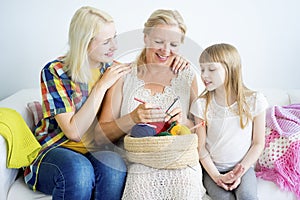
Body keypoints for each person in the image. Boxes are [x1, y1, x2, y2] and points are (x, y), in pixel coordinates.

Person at [23, 6, 190, 200]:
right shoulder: (55, 72)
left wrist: (175, 59)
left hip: (96, 150)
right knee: (79, 171)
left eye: (115, 37)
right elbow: (73, 132)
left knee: (115, 168)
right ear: (85, 43)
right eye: (106, 42)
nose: (115, 46)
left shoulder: (114, 69)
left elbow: (144, 68)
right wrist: (101, 86)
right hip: (56, 150)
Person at [97, 9, 207, 200]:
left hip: (180, 162)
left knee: (186, 186)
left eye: (173, 44)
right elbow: (100, 136)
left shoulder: (188, 76)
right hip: (138, 162)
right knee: (140, 185)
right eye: (158, 42)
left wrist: (184, 122)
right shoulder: (123, 76)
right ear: (146, 38)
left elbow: (201, 131)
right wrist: (131, 119)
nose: (166, 51)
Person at [190, 43, 268, 200]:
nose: (204, 75)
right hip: (213, 170)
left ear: (230, 69)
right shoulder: (201, 105)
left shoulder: (254, 101)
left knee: (247, 196)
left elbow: (258, 143)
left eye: (211, 69)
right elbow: (201, 148)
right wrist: (217, 176)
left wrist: (240, 171)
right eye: (202, 69)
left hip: (243, 168)